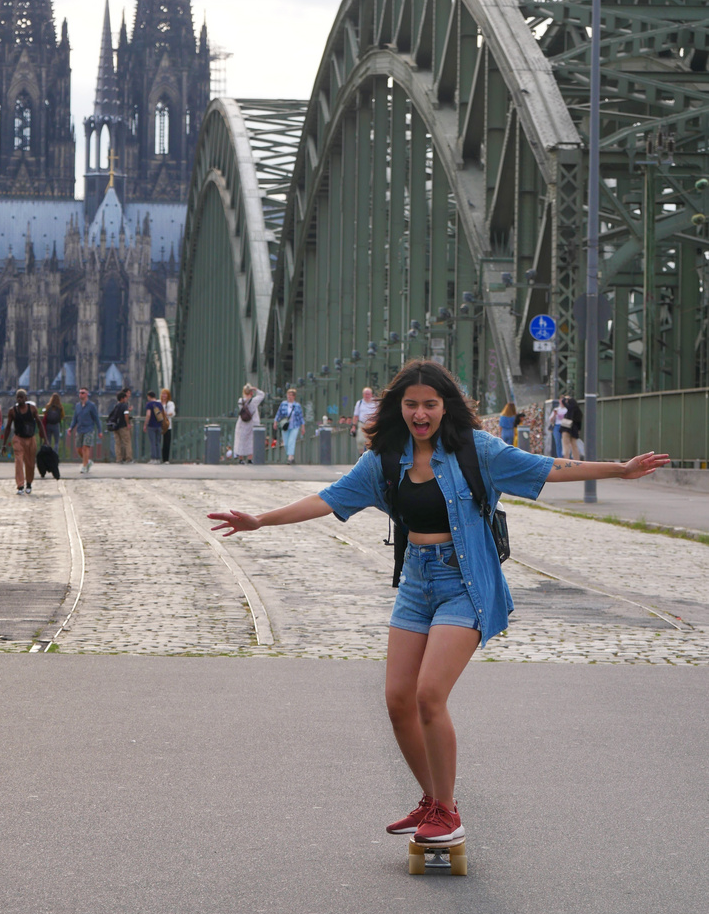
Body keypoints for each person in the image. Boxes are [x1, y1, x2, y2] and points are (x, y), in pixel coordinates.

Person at [208, 359, 669, 846]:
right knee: (397, 700)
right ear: (398, 408)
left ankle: (447, 813)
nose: (421, 413)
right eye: (412, 404)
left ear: (445, 406)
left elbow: (546, 467)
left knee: (430, 695)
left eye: (430, 404)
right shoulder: (385, 459)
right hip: (416, 585)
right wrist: (259, 520)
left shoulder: (477, 450)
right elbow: (328, 498)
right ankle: (432, 801)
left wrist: (621, 469)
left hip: (464, 583)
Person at [2, 388, 47, 494]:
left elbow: (39, 423)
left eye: (22, 397)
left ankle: (29, 484)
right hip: (18, 438)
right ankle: (20, 485)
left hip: (30, 438)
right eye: (18, 397)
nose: (20, 399)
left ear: (26, 398)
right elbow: (8, 427)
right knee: (18, 461)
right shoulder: (12, 411)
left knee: (30, 463)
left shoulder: (32, 409)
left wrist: (45, 439)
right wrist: (4, 444)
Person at [67, 387, 103, 474]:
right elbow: (75, 418)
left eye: (83, 393)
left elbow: (96, 419)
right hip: (79, 429)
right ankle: (87, 462)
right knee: (78, 448)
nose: (81, 394)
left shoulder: (92, 406)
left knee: (86, 447)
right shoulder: (77, 406)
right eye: (80, 393)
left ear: (87, 394)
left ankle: (84, 466)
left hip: (89, 429)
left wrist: (99, 430)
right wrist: (71, 428)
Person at [273, 388, 305, 464]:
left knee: (291, 441)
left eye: (291, 395)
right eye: (288, 395)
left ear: (294, 396)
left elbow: (301, 416)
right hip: (285, 426)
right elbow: (278, 413)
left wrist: (303, 426)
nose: (289, 397)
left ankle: (290, 457)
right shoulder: (283, 404)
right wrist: (275, 422)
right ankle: (291, 456)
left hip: (295, 425)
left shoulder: (297, 406)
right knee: (286, 442)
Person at [234, 384, 264, 464]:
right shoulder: (254, 401)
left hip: (242, 423)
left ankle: (240, 459)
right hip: (252, 423)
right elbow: (262, 395)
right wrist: (256, 389)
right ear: (251, 393)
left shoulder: (240, 401)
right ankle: (250, 458)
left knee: (241, 440)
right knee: (251, 440)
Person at [351, 387, 379, 457]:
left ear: (371, 394)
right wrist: (353, 426)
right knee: (360, 440)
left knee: (370, 441)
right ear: (363, 395)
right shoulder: (359, 403)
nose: (367, 396)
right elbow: (355, 415)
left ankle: (369, 456)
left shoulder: (375, 403)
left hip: (372, 424)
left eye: (368, 394)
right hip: (362, 423)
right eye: (365, 394)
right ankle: (361, 454)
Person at [143, 390, 166, 463]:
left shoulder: (149, 404)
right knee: (158, 442)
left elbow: (148, 415)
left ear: (149, 397)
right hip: (159, 426)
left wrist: (145, 424)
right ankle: (159, 459)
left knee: (152, 442)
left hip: (151, 426)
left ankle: (153, 459)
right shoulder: (159, 404)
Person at [108, 390, 131, 463]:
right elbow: (126, 414)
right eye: (125, 398)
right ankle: (128, 458)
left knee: (117, 443)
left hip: (115, 426)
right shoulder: (125, 405)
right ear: (122, 398)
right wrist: (127, 423)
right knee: (126, 442)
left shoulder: (116, 405)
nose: (126, 399)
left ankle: (118, 458)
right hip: (123, 426)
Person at [160, 388, 176, 464]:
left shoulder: (170, 404)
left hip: (167, 426)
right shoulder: (158, 402)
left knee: (166, 443)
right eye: (163, 394)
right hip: (159, 425)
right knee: (157, 442)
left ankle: (165, 459)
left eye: (165, 394)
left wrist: (163, 414)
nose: (164, 395)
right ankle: (157, 458)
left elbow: (171, 413)